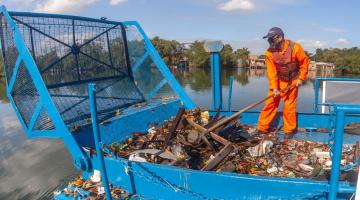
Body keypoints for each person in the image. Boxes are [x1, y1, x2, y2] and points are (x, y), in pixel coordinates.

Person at [257, 27, 309, 136]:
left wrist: (301, 78)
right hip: (278, 81)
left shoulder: (295, 47)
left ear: (280, 37)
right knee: (270, 104)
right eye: (269, 39)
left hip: (293, 81)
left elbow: (304, 63)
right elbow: (271, 72)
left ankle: (289, 130)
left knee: (289, 106)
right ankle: (262, 128)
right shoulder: (269, 53)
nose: (270, 42)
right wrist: (275, 88)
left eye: (271, 39)